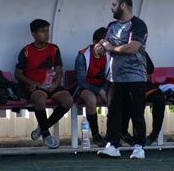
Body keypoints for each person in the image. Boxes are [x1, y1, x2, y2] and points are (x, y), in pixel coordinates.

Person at [95, 0, 148, 159]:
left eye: (114, 4)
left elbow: (132, 47)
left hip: (135, 77)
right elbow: (103, 43)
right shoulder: (111, 25)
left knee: (136, 113)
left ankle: (139, 147)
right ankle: (113, 145)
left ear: (123, 5)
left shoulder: (138, 25)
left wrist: (110, 48)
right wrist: (99, 48)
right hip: (114, 78)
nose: (111, 8)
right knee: (114, 112)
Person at [15, 19, 73, 149]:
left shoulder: (54, 49)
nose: (46, 34)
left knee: (68, 100)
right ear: (34, 34)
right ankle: (46, 135)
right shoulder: (26, 51)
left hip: (52, 85)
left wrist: (56, 83)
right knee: (39, 99)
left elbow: (59, 70)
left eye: (47, 31)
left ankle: (42, 126)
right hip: (36, 87)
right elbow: (18, 74)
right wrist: (34, 83)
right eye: (42, 31)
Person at [121, 52, 166, 146]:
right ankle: (124, 132)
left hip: (142, 84)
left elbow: (150, 68)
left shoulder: (141, 52)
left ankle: (155, 133)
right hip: (124, 85)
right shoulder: (119, 52)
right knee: (131, 101)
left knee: (160, 98)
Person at [74, 27, 109, 147]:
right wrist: (100, 91)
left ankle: (113, 134)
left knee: (114, 99)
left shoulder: (109, 55)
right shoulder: (83, 55)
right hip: (86, 87)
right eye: (102, 45)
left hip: (102, 87)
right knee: (91, 99)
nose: (105, 49)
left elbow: (110, 77)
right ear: (95, 42)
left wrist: (103, 89)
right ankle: (96, 135)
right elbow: (81, 81)